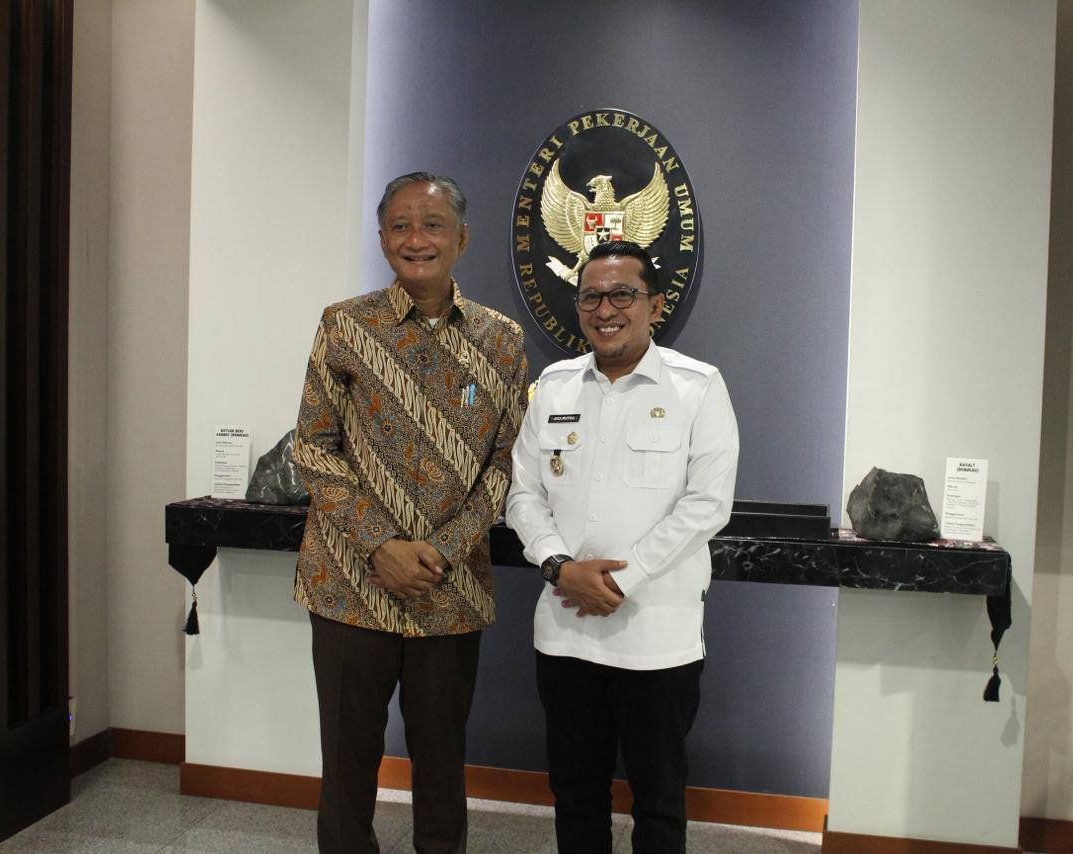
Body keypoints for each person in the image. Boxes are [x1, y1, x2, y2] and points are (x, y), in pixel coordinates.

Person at [291, 172, 528, 853]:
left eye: (431, 224)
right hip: (348, 584)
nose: (415, 239)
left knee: (442, 762)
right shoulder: (344, 324)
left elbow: (507, 465)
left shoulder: (501, 339)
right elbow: (313, 446)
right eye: (400, 225)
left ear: (462, 238)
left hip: (449, 590)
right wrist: (380, 544)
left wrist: (443, 551)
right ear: (382, 238)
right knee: (347, 764)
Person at [505, 239, 739, 853]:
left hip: (655, 638)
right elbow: (523, 495)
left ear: (654, 305)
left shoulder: (697, 387)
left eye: (622, 294)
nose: (605, 309)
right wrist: (560, 567)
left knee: (658, 802)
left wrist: (618, 579)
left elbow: (708, 504)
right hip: (565, 632)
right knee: (575, 794)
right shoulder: (553, 387)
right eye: (591, 296)